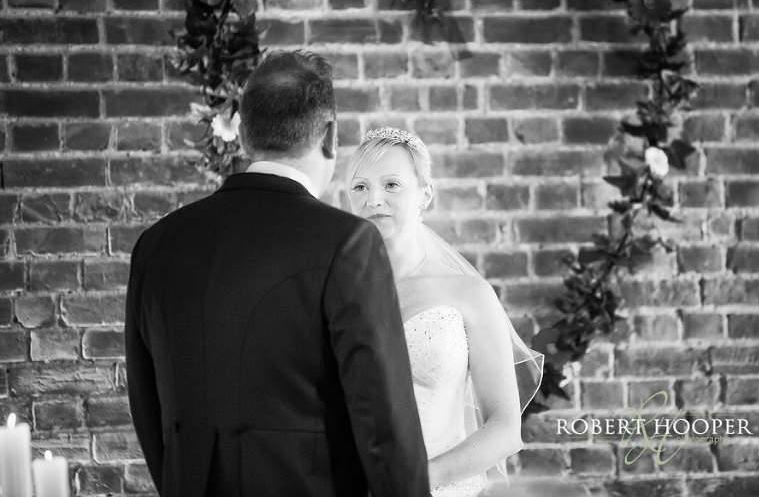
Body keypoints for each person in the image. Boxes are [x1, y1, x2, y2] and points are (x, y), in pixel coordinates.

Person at [125, 52, 430, 497]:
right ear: (330, 135)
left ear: (243, 134)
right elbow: (386, 429)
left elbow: (148, 413)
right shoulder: (347, 243)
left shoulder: (156, 245)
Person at [346, 127, 544, 497]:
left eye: (391, 185)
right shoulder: (336, 292)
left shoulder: (469, 294)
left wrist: (414, 482)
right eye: (360, 187)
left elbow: (505, 429)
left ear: (425, 195)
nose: (373, 199)